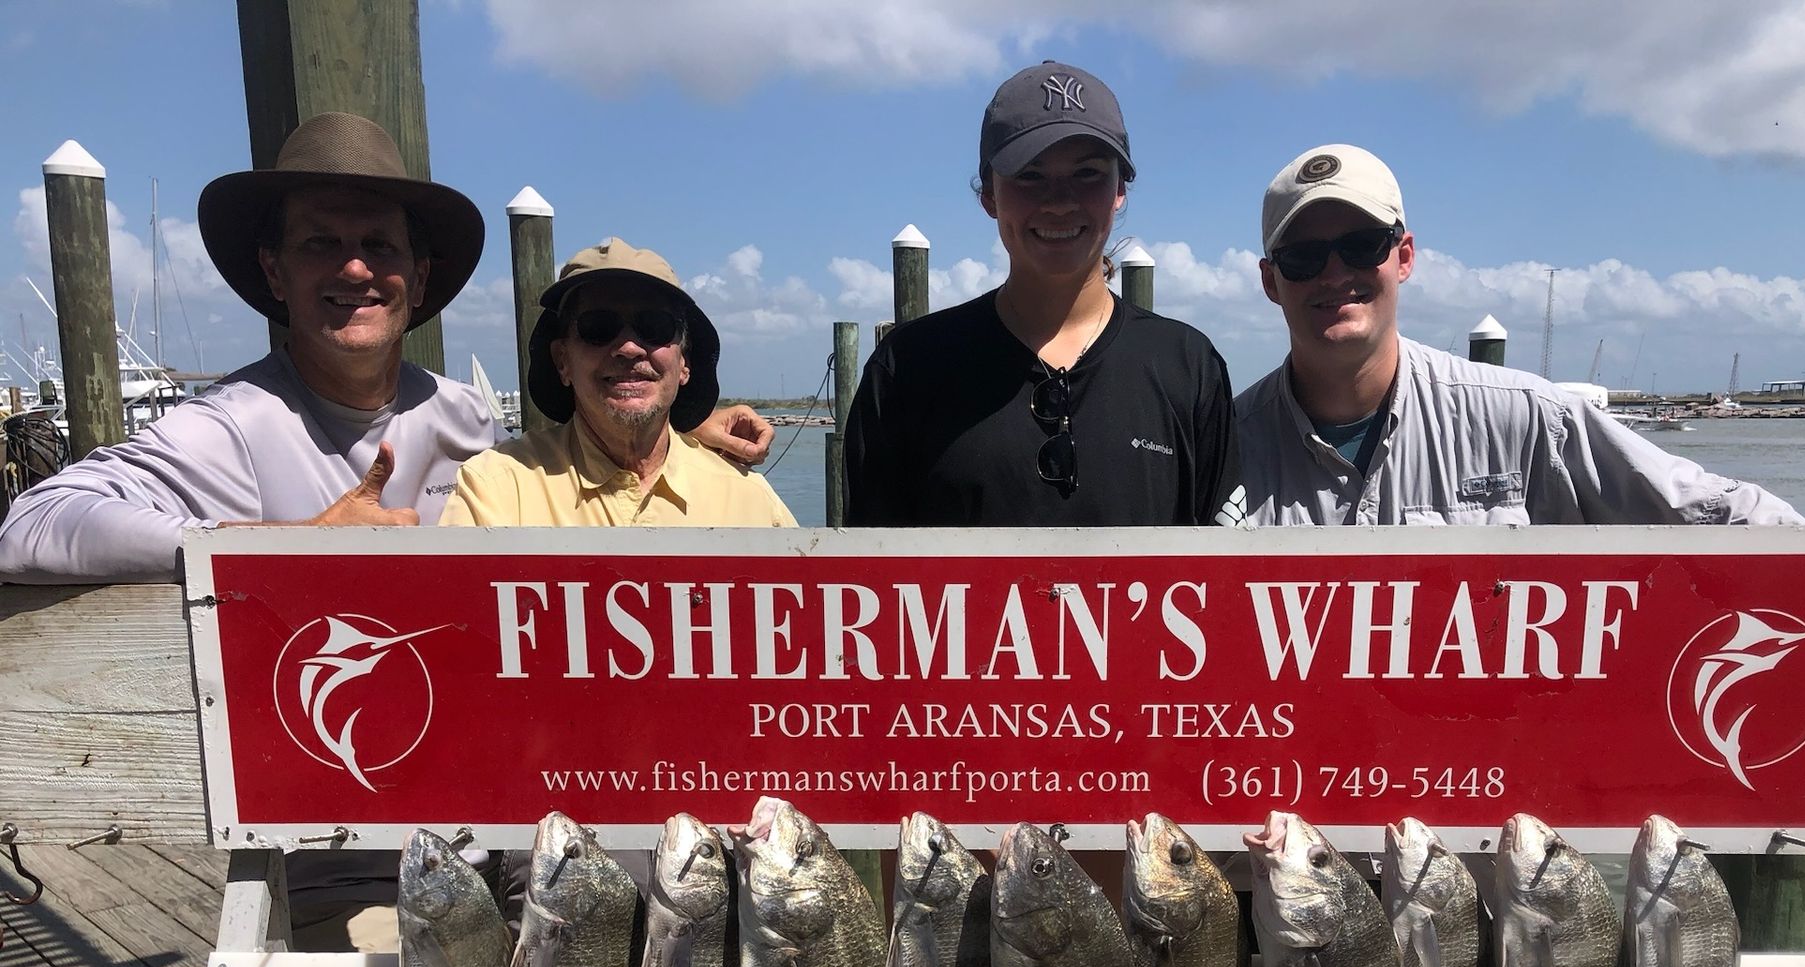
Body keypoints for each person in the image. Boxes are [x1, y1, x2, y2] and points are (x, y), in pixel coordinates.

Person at [0, 113, 772, 583]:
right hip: (326, 823)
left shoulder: (462, 414)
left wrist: (671, 427)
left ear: (419, 271)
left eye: (378, 243)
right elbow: (32, 525)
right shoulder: (229, 426)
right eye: (320, 244)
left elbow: (563, 462)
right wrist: (290, 547)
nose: (356, 268)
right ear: (274, 268)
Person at [1215, 143, 1805, 527]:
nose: (1335, 273)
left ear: (1404, 256)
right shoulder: (1220, 449)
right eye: (1303, 257)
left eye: (1361, 246)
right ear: (1270, 281)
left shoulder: (1529, 419)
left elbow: (1717, 513)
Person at [845, 61, 1237, 526]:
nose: (1059, 201)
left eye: (1088, 173)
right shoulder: (906, 369)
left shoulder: (1188, 366)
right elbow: (867, 575)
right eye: (1030, 175)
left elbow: (1222, 576)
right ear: (989, 194)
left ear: (1120, 190)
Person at [442, 240, 794, 528]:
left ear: (684, 363)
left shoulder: (750, 501)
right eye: (598, 327)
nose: (628, 348)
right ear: (562, 360)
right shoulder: (494, 491)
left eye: (655, 327)